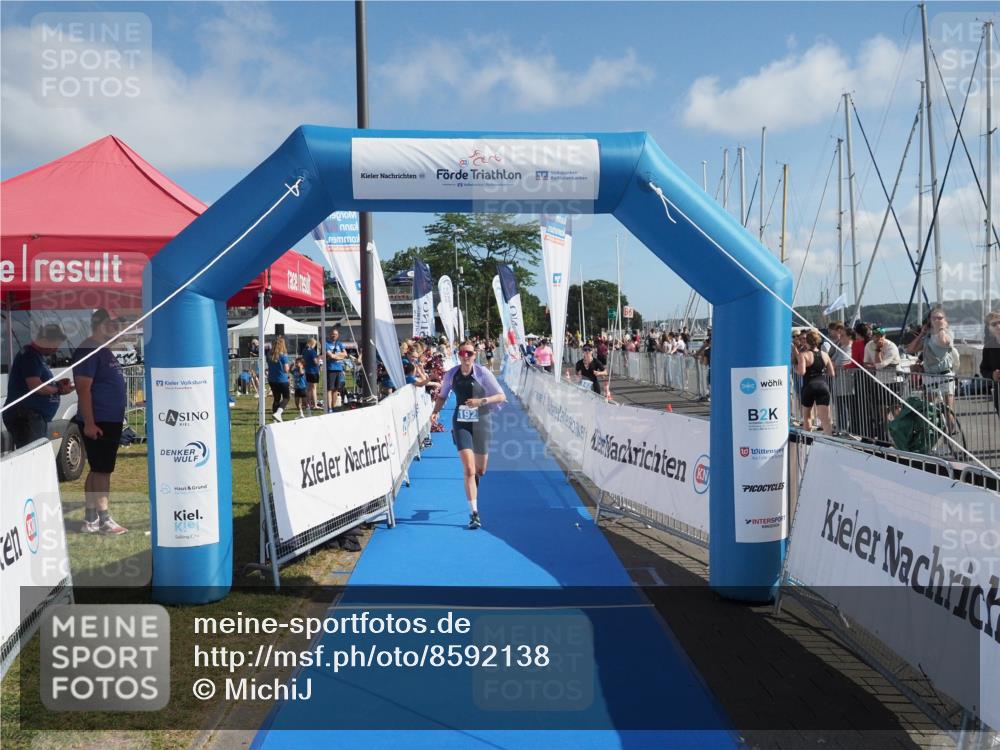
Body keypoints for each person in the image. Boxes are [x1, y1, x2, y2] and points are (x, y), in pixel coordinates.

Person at [430, 341, 506, 530]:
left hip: (482, 423)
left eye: (469, 353)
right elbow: (442, 396)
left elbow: (501, 396)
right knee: (469, 469)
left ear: (475, 355)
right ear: (459, 354)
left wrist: (481, 401)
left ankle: (474, 479)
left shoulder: (482, 373)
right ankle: (474, 514)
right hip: (461, 422)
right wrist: (435, 412)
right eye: (463, 353)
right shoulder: (451, 374)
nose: (466, 356)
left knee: (480, 470)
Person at [72, 309, 128, 535]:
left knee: (97, 469)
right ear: (100, 324)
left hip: (107, 419)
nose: (116, 327)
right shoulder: (88, 349)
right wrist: (89, 422)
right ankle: (104, 520)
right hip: (99, 420)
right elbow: (83, 389)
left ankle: (91, 519)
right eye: (112, 323)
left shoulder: (102, 349)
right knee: (103, 471)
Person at [2, 323, 74, 448]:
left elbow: (39, 383)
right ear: (45, 340)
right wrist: (58, 389)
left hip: (32, 417)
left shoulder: (37, 356)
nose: (56, 350)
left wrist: (56, 385)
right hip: (27, 417)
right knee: (33, 453)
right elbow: (35, 386)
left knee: (36, 452)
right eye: (55, 345)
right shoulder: (30, 355)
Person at [907, 307, 959, 431]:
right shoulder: (928, 337)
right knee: (929, 408)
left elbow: (943, 342)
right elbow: (910, 349)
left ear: (945, 320)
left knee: (948, 409)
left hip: (945, 375)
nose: (936, 320)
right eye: (934, 318)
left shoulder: (947, 333)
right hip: (929, 376)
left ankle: (951, 433)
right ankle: (933, 434)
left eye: (939, 318)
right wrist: (921, 334)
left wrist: (941, 328)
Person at [793, 330, 835, 434]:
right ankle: (829, 438)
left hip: (809, 386)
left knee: (807, 416)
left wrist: (796, 369)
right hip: (823, 386)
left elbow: (802, 372)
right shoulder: (825, 355)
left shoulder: (804, 355)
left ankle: (808, 439)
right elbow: (831, 373)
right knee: (826, 418)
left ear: (807, 342)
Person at [863, 326, 900, 442]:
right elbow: (866, 363)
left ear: (884, 336)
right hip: (879, 381)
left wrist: (878, 350)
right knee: (882, 409)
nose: (878, 338)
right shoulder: (869, 345)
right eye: (875, 336)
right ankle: (887, 434)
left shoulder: (891, 346)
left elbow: (880, 365)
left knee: (895, 409)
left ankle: (900, 432)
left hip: (893, 381)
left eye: (880, 336)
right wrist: (875, 365)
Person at [981, 310, 1000, 417]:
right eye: (994, 324)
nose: (998, 326)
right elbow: (983, 369)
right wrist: (992, 375)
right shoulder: (988, 347)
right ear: (989, 328)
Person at [267, 336, 291, 422]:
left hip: (272, 379)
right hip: (282, 379)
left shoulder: (269, 355)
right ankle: (278, 413)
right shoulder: (283, 355)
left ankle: (275, 419)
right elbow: (286, 369)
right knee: (286, 397)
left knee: (276, 398)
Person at [325, 326, 348, 411]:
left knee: (336, 389)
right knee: (329, 389)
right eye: (332, 334)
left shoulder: (339, 344)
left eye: (335, 334)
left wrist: (336, 356)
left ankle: (334, 407)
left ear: (338, 335)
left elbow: (345, 354)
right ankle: (329, 408)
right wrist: (339, 356)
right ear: (330, 335)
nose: (334, 336)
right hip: (331, 369)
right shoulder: (326, 344)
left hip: (339, 368)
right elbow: (331, 355)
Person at [301, 336, 321, 411]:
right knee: (313, 388)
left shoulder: (304, 350)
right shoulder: (312, 351)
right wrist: (319, 359)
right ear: (313, 344)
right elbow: (315, 362)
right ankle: (315, 405)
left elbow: (303, 361)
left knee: (309, 388)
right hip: (314, 371)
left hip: (307, 371)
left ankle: (308, 404)